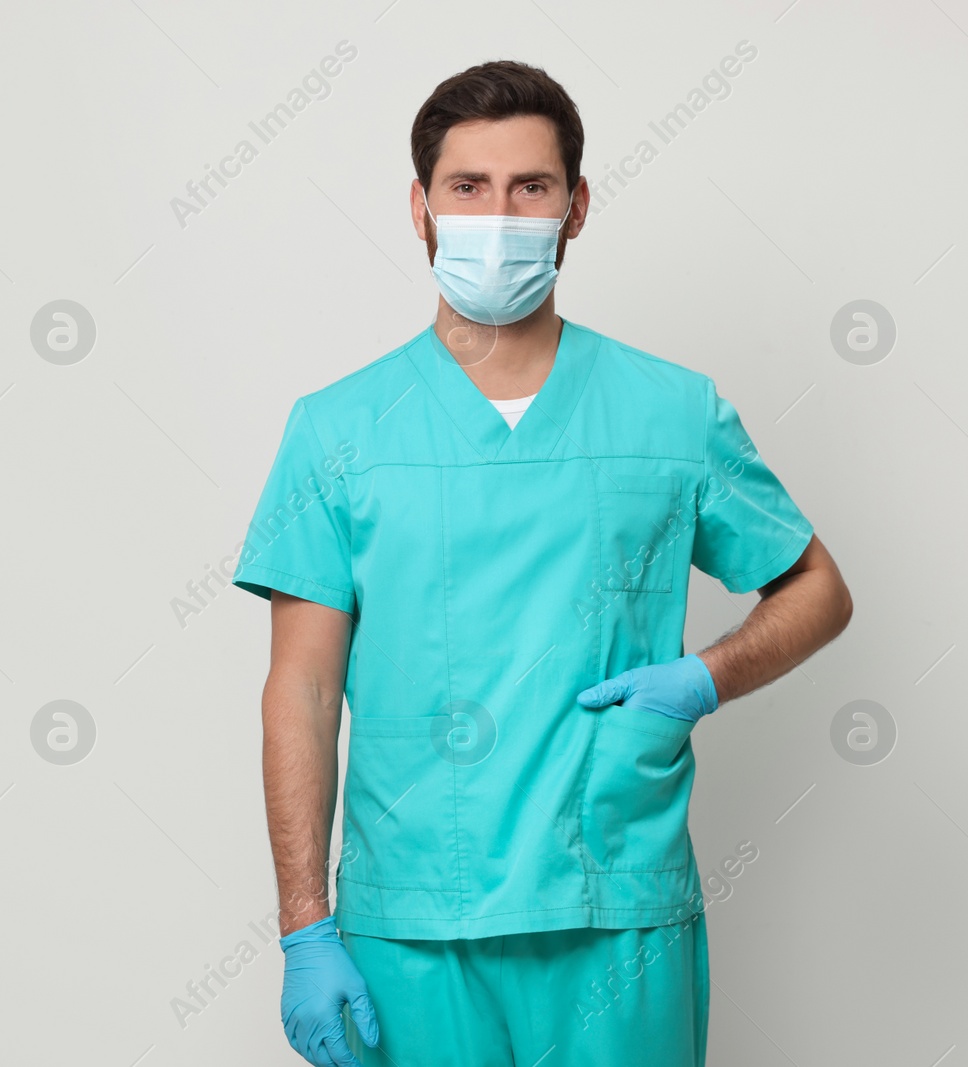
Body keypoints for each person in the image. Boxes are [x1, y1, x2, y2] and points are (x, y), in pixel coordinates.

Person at [230, 60, 853, 1067]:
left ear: (576, 206)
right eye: (466, 187)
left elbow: (818, 586)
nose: (498, 214)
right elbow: (299, 688)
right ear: (418, 206)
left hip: (615, 901)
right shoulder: (338, 430)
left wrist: (703, 677)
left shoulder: (669, 410)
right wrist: (305, 927)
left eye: (531, 187)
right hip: (413, 921)